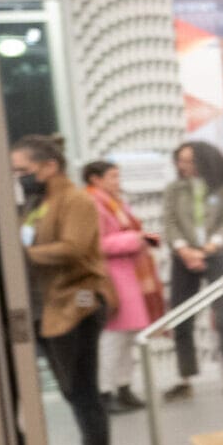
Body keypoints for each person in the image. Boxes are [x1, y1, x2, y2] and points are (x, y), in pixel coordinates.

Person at [9, 135, 117, 445]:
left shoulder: (75, 200)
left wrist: (20, 253)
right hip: (49, 310)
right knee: (75, 394)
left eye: (24, 170)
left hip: (79, 304)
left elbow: (73, 248)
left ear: (49, 166)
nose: (19, 177)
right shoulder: (39, 204)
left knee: (84, 394)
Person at [161, 140, 223, 400]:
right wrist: (184, 250)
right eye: (180, 160)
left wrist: (209, 248)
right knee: (181, 317)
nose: (182, 166)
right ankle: (185, 377)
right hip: (184, 258)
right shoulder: (174, 189)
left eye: (189, 160)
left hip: (219, 256)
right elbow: (169, 221)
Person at [84, 161, 163, 412]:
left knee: (128, 339)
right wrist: (135, 239)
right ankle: (105, 392)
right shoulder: (93, 204)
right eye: (112, 176)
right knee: (112, 340)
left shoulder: (115, 202)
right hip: (112, 279)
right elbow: (97, 243)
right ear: (95, 179)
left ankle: (124, 387)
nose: (117, 181)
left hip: (129, 277)